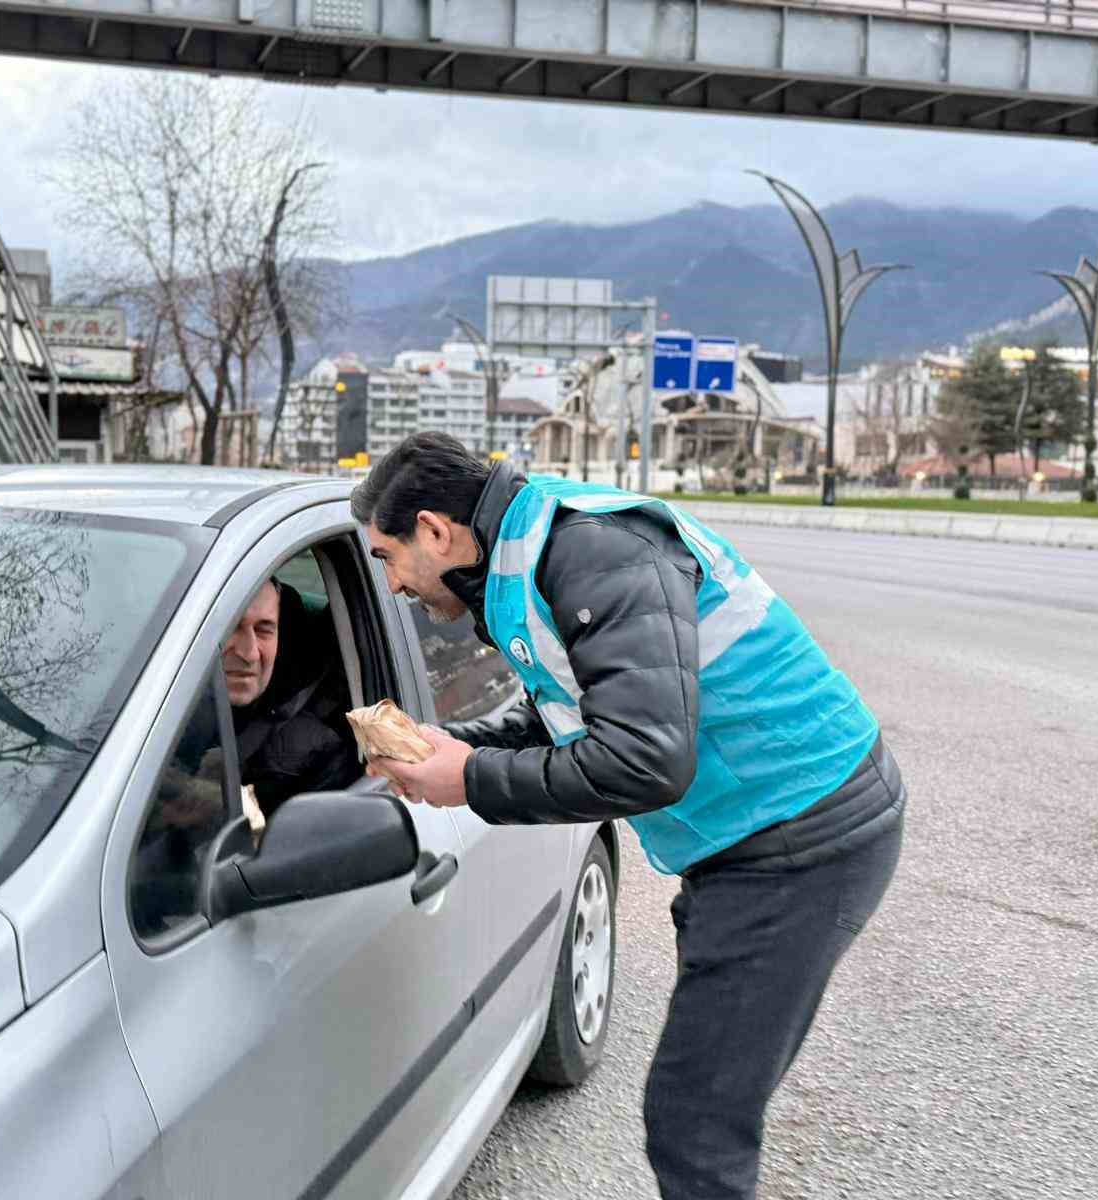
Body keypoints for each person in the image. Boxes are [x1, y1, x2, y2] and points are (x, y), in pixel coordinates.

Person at [351, 432, 905, 1200]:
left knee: (695, 1122)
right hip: (755, 835)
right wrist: (457, 746)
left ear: (435, 531)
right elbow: (573, 715)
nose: (391, 584)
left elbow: (645, 761)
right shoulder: (528, 554)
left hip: (802, 836)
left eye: (387, 557)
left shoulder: (592, 554)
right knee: (704, 1100)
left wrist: (469, 780)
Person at [221, 577, 362, 817]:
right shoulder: (167, 700)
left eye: (264, 631)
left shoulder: (317, 750)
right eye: (231, 628)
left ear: (281, 638)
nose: (249, 653)